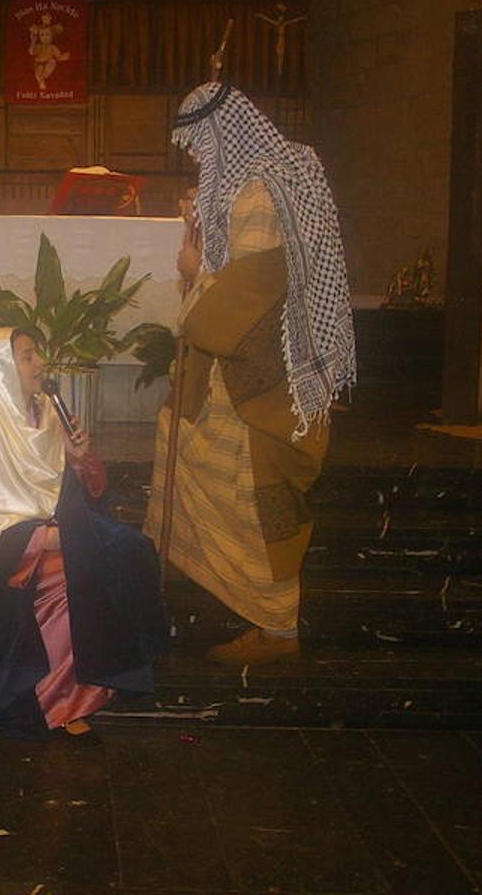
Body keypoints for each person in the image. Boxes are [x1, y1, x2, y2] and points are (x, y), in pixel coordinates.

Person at [145, 81, 356, 665]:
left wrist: (194, 271)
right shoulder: (256, 182)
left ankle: (278, 631)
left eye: (197, 143)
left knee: (258, 502)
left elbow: (246, 294)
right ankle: (221, 597)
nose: (193, 156)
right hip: (240, 375)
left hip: (258, 384)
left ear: (221, 133)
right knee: (192, 455)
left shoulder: (260, 192)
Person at [0, 327, 169, 737]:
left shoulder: (46, 413)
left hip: (57, 533)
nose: (40, 363)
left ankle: (109, 670)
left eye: (35, 354)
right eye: (27, 357)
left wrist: (79, 458)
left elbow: (83, 491)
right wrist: (43, 539)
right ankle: (61, 701)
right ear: (2, 370)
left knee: (132, 550)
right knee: (77, 573)